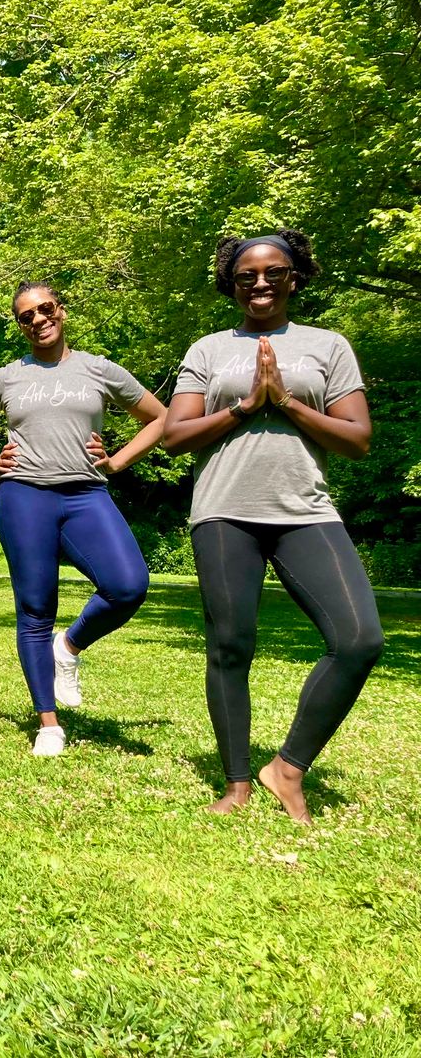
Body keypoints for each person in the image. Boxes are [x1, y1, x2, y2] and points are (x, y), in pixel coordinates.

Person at [163, 231, 383, 824]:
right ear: (231, 284)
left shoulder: (327, 345)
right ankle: (236, 782)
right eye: (246, 276)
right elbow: (174, 434)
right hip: (224, 511)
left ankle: (286, 768)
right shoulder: (209, 349)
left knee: (359, 638)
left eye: (273, 272)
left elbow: (358, 439)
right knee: (231, 646)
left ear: (294, 277)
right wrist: (242, 406)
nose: (260, 283)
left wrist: (283, 401)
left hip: (305, 511)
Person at [0, 281, 166, 757]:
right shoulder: (4, 378)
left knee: (128, 585)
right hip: (24, 496)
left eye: (45, 309)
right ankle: (48, 723)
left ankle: (67, 647)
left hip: (86, 494)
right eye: (26, 316)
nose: (38, 320)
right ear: (20, 326)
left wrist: (117, 462)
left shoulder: (99, 368)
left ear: (61, 311)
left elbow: (159, 417)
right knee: (34, 608)